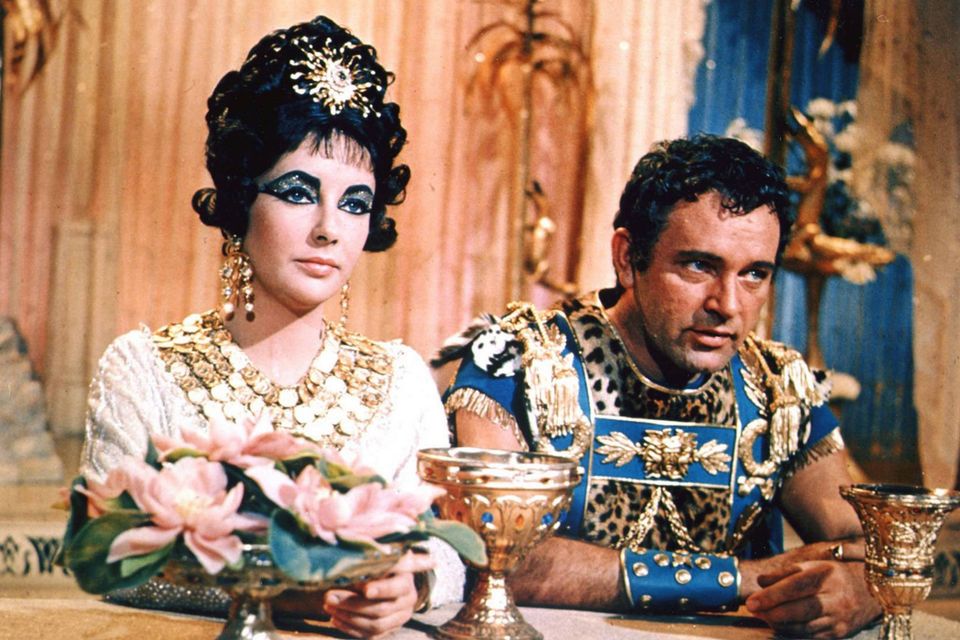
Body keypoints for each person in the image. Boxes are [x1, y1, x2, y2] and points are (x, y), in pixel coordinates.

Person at [81, 15, 463, 638]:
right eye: (297, 191)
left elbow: (448, 548)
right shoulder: (143, 368)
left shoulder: (402, 381)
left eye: (355, 203)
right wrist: (283, 594)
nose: (329, 228)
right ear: (241, 199)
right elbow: (108, 555)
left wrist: (411, 584)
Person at [440, 135, 881, 638]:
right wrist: (741, 578)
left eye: (754, 274)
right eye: (699, 266)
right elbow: (496, 557)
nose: (727, 305)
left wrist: (863, 592)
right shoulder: (518, 363)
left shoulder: (780, 386)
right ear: (628, 258)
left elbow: (871, 549)